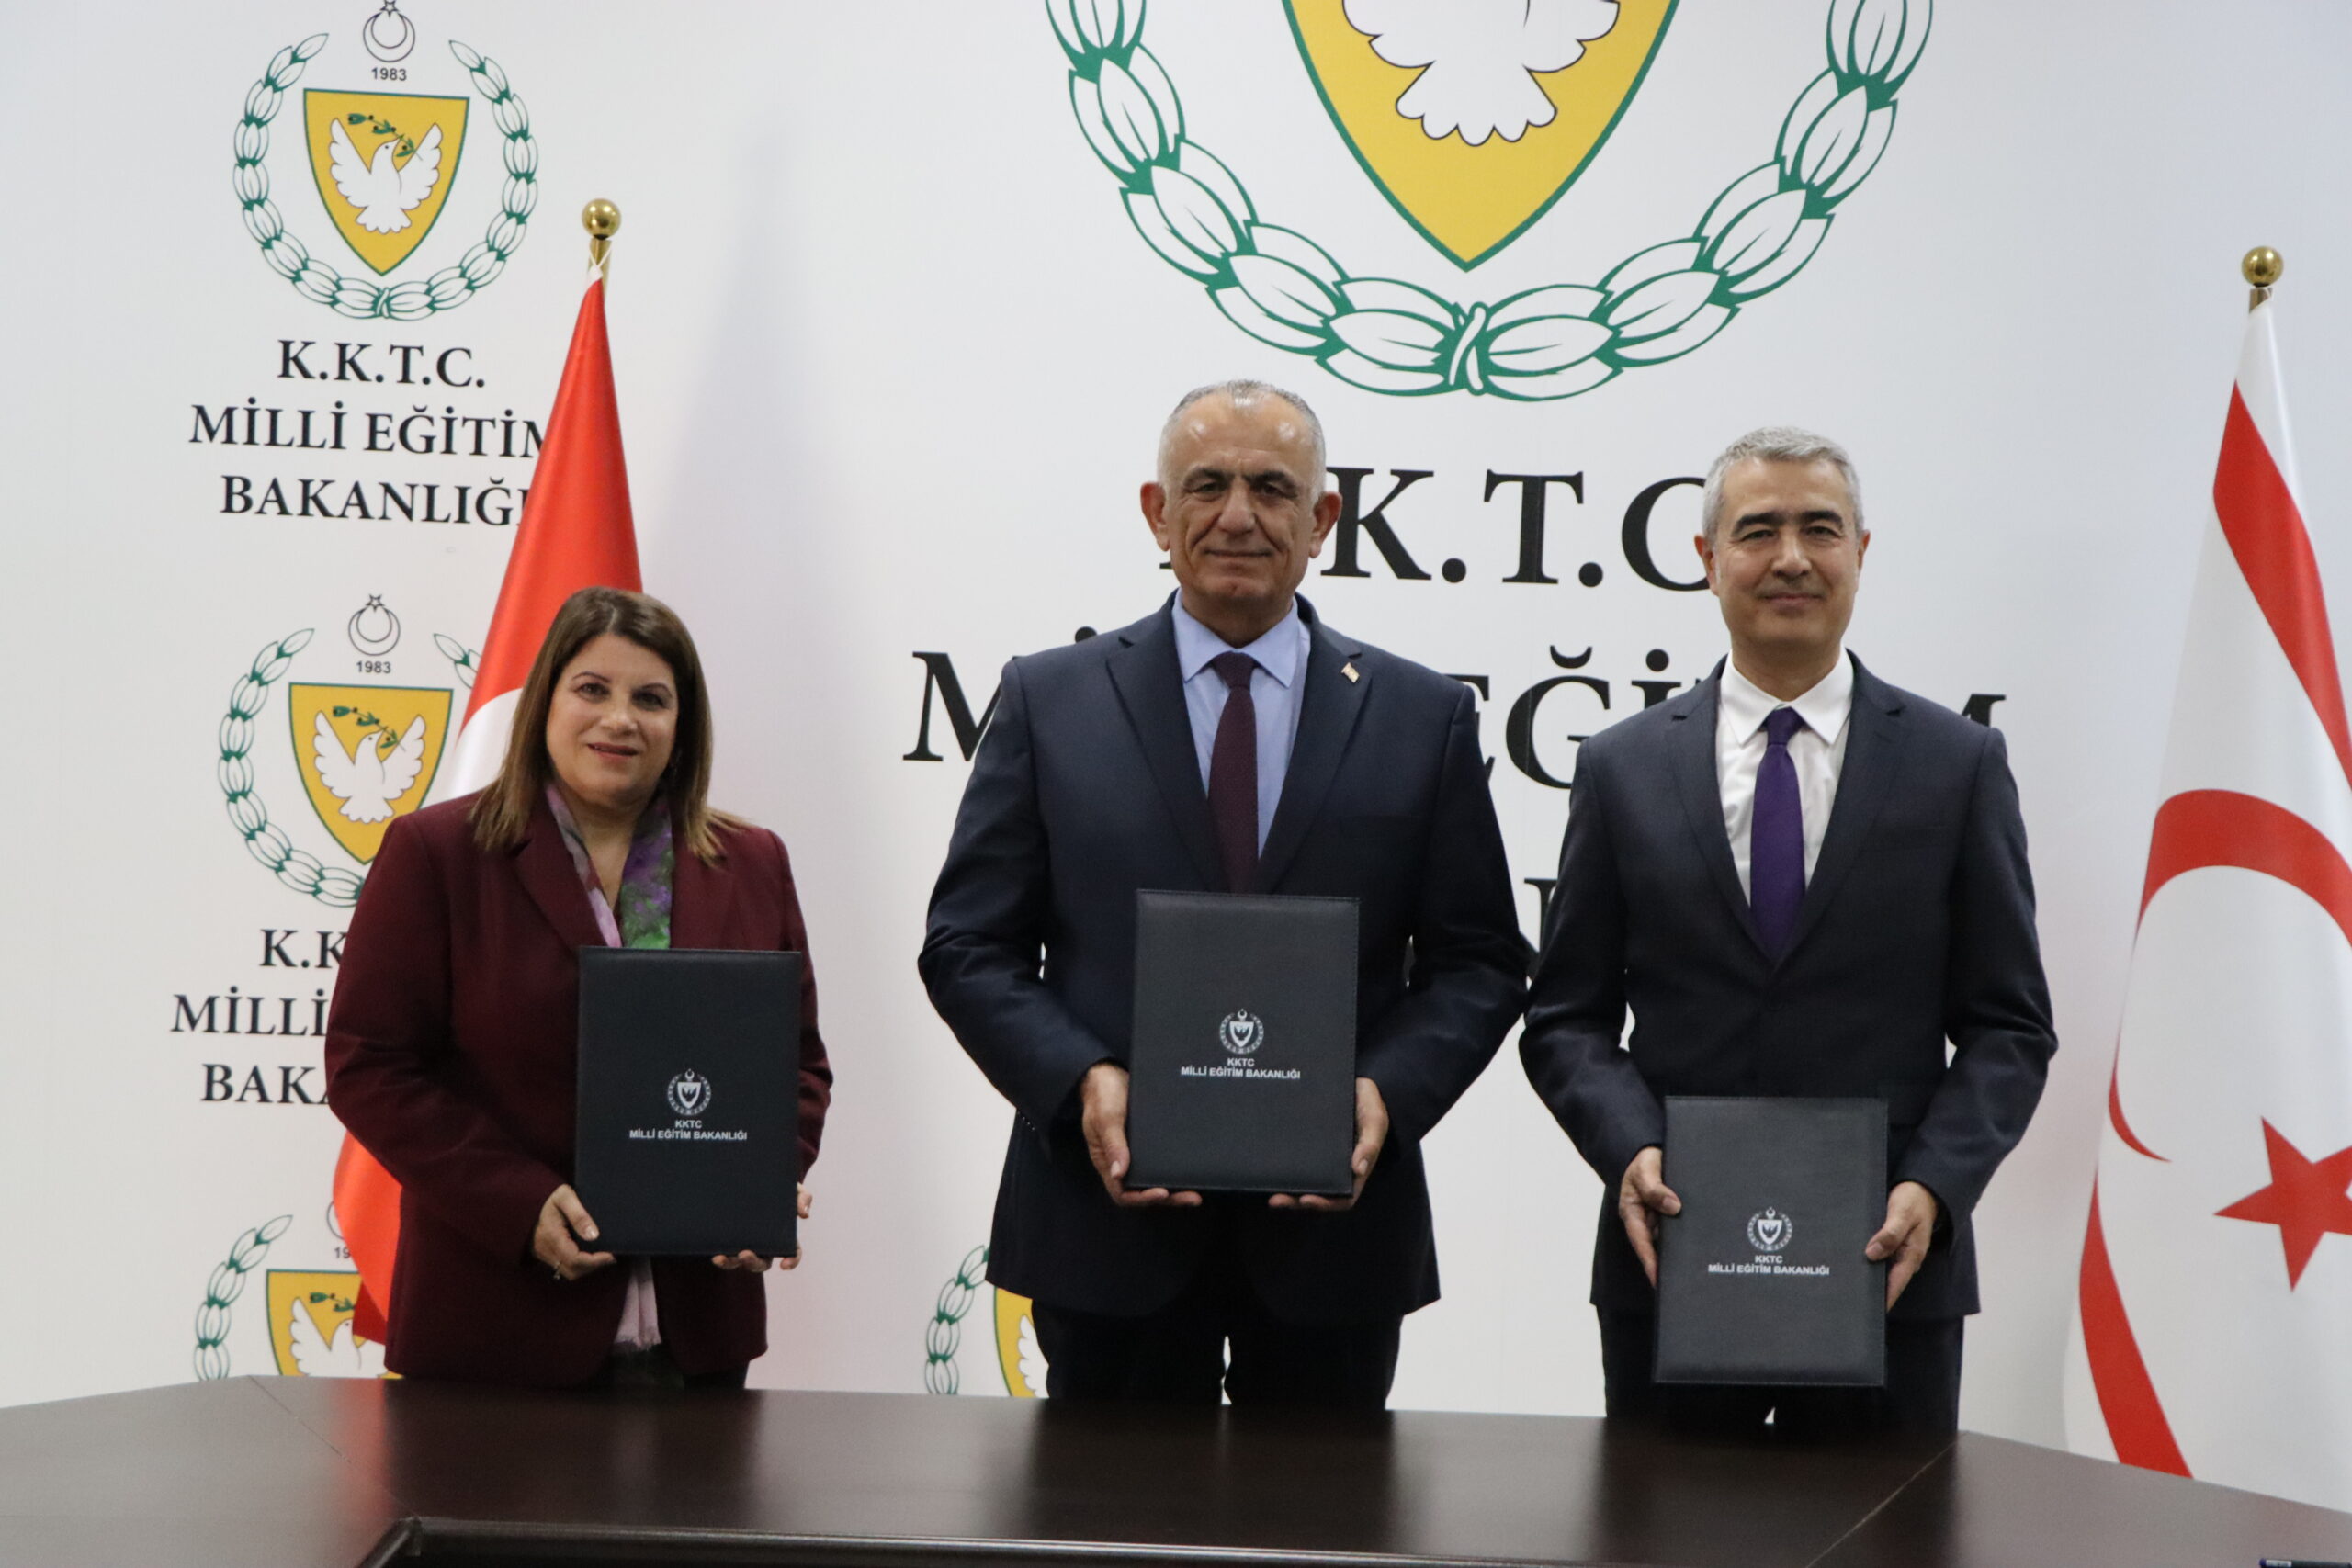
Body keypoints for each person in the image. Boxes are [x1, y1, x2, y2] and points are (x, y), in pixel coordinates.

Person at [920, 379, 1527, 1408]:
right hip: (1105, 1234)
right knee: (1104, 1513)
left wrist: (1384, 1092)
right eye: (1206, 486)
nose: (1238, 515)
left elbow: (1479, 963)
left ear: (1323, 519)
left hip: (1333, 1245)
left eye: (1272, 488)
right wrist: (1081, 1083)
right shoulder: (1048, 699)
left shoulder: (1422, 717)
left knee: (1326, 1513)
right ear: (1157, 513)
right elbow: (967, 947)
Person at [1521, 427, 2056, 1437]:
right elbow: (1565, 1020)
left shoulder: (1957, 765)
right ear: (1706, 557)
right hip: (1673, 1256)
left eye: (1820, 529)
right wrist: (1629, 1147)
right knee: (1664, 1525)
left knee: (1887, 1529)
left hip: (1887, 1267)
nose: (1792, 558)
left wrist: (1934, 1186)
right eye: (1758, 531)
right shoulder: (1621, 768)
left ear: (1862, 550)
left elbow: (2009, 1027)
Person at [324, 586, 832, 1388]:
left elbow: (795, 1064)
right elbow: (370, 1065)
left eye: (651, 698)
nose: (620, 719)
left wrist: (761, 1181)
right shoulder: (438, 853)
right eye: (592, 689)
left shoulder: (751, 861)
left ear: (684, 723)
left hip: (697, 1343)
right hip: (494, 1333)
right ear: (546, 701)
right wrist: (516, 1201)